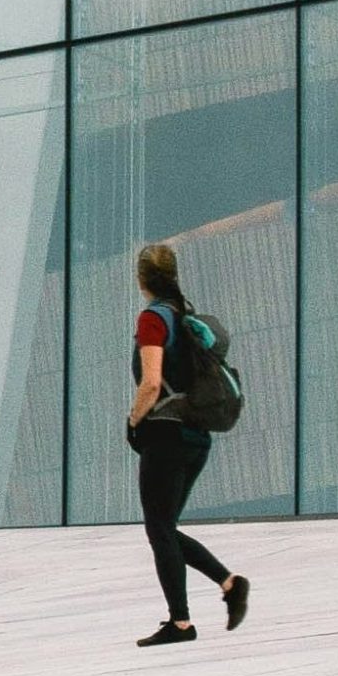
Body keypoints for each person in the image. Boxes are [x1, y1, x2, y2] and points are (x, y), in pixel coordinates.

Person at [125, 242, 251, 649]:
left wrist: (133, 420)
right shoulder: (184, 314)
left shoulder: (153, 319)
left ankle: (181, 623)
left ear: (142, 278)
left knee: (159, 529)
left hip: (166, 434)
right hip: (197, 436)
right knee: (165, 529)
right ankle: (229, 584)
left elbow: (150, 382)